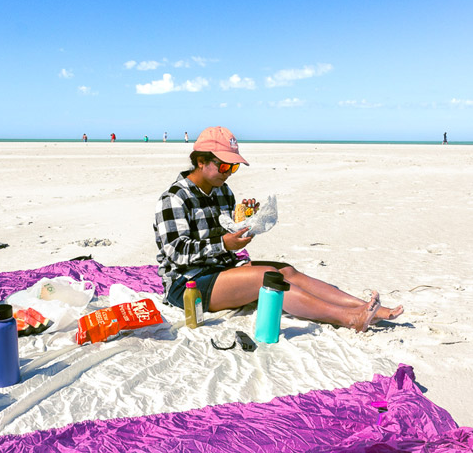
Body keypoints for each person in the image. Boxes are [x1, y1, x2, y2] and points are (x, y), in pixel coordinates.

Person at [154, 126, 404, 332]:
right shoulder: (175, 198)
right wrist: (224, 244)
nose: (229, 173)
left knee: (286, 271)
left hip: (222, 268)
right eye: (224, 166)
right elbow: (176, 251)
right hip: (187, 283)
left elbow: (224, 229)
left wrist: (247, 222)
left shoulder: (223, 192)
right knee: (267, 278)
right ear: (200, 161)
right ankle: (349, 318)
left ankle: (368, 308)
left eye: (234, 167)